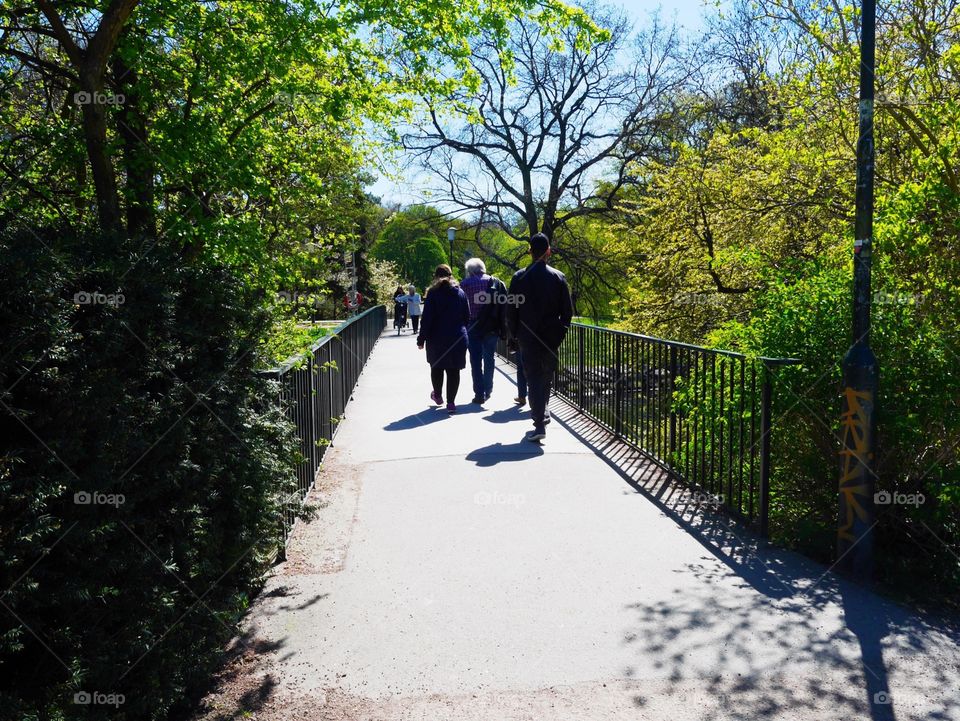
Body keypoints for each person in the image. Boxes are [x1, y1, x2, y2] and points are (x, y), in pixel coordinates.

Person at [506, 232, 573, 441]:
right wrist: (560, 332)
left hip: (527, 336)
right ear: (548, 252)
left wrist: (514, 335)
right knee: (545, 377)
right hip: (551, 337)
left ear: (530, 252)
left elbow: (511, 310)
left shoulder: (519, 278)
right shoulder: (558, 277)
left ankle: (539, 422)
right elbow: (567, 312)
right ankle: (542, 414)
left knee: (533, 377)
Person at [417, 265, 469, 413]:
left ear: (435, 277)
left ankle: (438, 396)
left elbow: (427, 319)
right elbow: (467, 316)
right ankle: (451, 403)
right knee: (454, 370)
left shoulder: (433, 294)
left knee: (437, 366)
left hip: (436, 338)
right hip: (458, 338)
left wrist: (421, 339)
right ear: (451, 276)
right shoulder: (460, 293)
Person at [461, 258, 508, 404]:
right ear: (483, 268)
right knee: (489, 358)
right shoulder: (494, 282)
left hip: (472, 327)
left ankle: (479, 393)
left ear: (470, 270)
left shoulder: (464, 284)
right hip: (491, 326)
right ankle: (488, 389)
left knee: (475, 361)